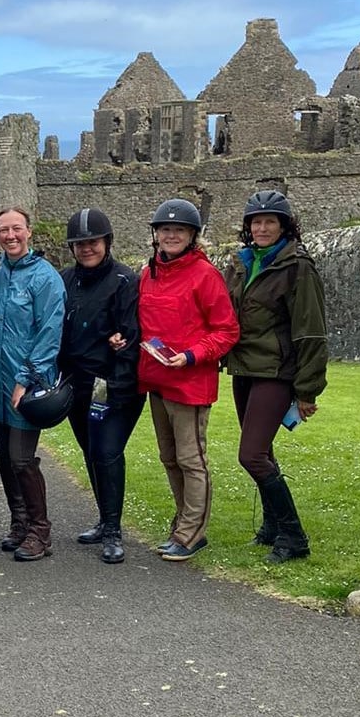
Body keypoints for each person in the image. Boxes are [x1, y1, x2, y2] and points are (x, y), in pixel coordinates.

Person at [223, 190, 327, 563]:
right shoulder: (242, 263)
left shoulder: (297, 266)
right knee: (263, 451)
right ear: (248, 227)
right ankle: (272, 527)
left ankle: (295, 535)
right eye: (256, 221)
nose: (262, 227)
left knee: (250, 455)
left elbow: (311, 331)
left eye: (270, 221)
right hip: (245, 369)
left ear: (284, 225)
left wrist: (308, 390)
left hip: (277, 371)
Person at [137, 198, 239, 562]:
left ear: (193, 235)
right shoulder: (148, 273)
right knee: (169, 458)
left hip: (190, 381)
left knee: (191, 458)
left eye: (179, 230)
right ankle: (183, 524)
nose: (171, 235)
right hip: (157, 379)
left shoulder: (204, 275)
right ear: (156, 234)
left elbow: (227, 330)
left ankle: (192, 533)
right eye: (165, 229)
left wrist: (193, 354)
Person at [0, 206, 66, 562]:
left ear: (29, 232)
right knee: (4, 453)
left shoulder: (45, 277)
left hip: (26, 382)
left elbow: (49, 332)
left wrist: (25, 378)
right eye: (3, 230)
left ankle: (40, 531)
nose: (10, 236)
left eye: (16, 229)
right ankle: (19, 522)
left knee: (22, 457)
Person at [59, 208, 145, 565]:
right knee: (90, 451)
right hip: (77, 384)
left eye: (92, 242)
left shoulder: (127, 281)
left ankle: (112, 530)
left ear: (107, 242)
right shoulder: (65, 280)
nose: (86, 249)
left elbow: (132, 334)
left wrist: (121, 383)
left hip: (113, 383)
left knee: (107, 452)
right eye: (79, 243)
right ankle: (102, 519)